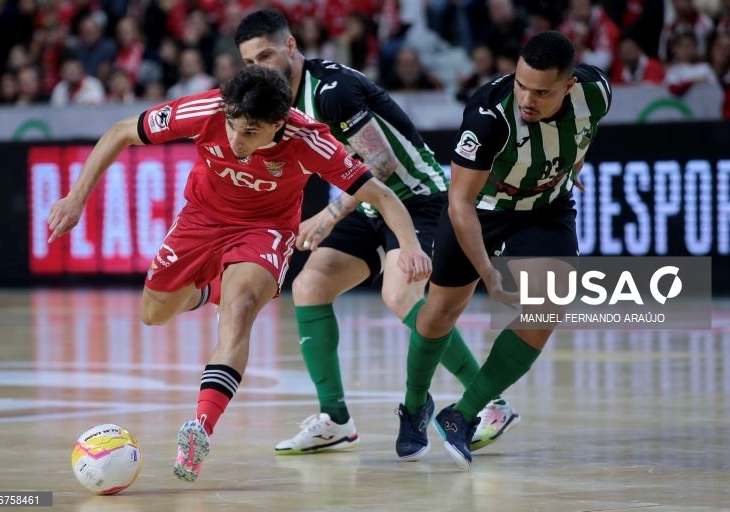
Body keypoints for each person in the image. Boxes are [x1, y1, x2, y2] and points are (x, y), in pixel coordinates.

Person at [46, 65, 432, 482]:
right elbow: (122, 129)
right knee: (153, 314)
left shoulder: (310, 140)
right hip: (201, 219)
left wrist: (409, 245)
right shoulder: (208, 109)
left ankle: (201, 430)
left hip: (264, 230)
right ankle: (210, 290)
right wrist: (75, 197)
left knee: (242, 308)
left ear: (278, 124)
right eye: (232, 127)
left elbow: (381, 192)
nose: (235, 141)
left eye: (249, 132)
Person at [235, 9, 519, 460]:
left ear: (290, 47)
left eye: (267, 55)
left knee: (400, 295)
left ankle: (492, 404)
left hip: (418, 196)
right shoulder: (276, 105)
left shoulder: (332, 91)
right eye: (251, 62)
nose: (259, 68)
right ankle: (335, 420)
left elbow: (381, 166)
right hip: (369, 204)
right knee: (310, 286)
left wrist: (328, 215)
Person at [398, 30, 612, 469]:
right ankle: (414, 404)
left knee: (549, 305)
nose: (527, 98)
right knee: (440, 310)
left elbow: (582, 133)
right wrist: (488, 273)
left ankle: (462, 414)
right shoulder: (487, 114)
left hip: (545, 208)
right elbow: (459, 201)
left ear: (569, 86)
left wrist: (572, 167)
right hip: (481, 207)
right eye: (521, 84)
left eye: (541, 91)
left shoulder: (597, 92)